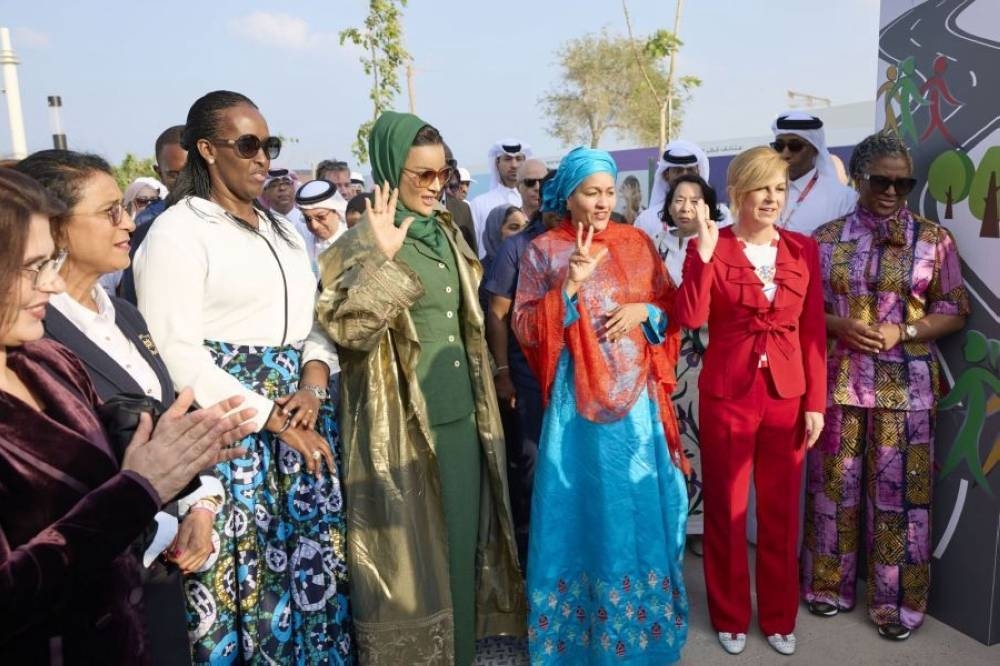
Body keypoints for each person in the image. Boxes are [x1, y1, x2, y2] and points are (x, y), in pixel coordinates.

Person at [132, 90, 353, 664]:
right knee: (247, 591)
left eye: (269, 145)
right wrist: (274, 419)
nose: (262, 159)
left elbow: (313, 321)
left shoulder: (282, 230)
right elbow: (176, 353)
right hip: (231, 438)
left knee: (314, 581)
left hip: (302, 420)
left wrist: (311, 383)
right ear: (205, 149)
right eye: (248, 144)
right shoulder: (178, 231)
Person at [0, 166, 253, 665]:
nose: (52, 284)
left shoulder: (48, 361)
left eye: (51, 261)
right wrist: (140, 487)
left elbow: (112, 478)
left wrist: (182, 471)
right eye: (33, 267)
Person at [315, 110, 525, 665]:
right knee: (411, 566)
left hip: (461, 421)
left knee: (457, 552)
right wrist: (379, 256)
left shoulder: (448, 232)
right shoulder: (357, 243)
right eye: (421, 175)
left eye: (443, 173)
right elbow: (347, 331)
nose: (437, 186)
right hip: (403, 426)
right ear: (389, 172)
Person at [512, 147, 689, 664]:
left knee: (635, 505)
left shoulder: (637, 243)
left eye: (610, 192)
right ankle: (575, 634)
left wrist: (645, 309)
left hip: (636, 405)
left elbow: (672, 307)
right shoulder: (544, 251)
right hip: (576, 410)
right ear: (568, 196)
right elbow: (523, 326)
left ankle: (641, 626)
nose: (603, 202)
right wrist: (569, 285)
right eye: (592, 192)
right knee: (581, 504)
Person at [802, 131, 970, 641]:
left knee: (903, 501)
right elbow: (805, 309)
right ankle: (828, 587)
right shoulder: (824, 239)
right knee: (834, 489)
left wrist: (905, 330)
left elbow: (954, 307)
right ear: (857, 178)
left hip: (909, 388)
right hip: (840, 383)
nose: (893, 190)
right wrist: (840, 326)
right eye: (882, 180)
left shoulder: (934, 240)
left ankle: (897, 604)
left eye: (904, 182)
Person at [674, 146, 827, 657]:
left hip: (787, 396)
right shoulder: (713, 246)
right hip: (728, 396)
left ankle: (781, 616)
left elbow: (812, 333)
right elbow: (693, 318)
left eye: (779, 188)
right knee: (728, 511)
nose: (771, 198)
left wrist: (816, 403)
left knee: (782, 514)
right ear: (738, 191)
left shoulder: (803, 249)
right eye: (761, 187)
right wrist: (701, 252)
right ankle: (730, 613)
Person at [481, 170, 559, 566]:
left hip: (574, 380)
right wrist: (502, 372)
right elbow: (497, 315)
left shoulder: (583, 243)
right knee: (532, 463)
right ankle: (533, 563)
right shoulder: (517, 248)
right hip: (527, 378)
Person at [654, 174, 723, 549]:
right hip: (669, 354)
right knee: (674, 437)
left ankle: (700, 526)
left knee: (704, 438)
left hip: (710, 355)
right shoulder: (654, 246)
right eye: (679, 200)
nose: (686, 208)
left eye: (695, 200)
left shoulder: (721, 245)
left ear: (709, 205)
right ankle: (674, 519)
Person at [120, 125, 188, 306]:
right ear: (159, 173)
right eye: (174, 175)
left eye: (192, 171)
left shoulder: (240, 220)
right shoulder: (146, 230)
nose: (185, 182)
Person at [770, 111, 857, 234]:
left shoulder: (843, 198)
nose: (785, 153)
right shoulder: (763, 193)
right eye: (779, 146)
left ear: (815, 150)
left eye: (795, 146)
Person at [635, 139, 711, 240]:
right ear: (666, 175)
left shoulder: (720, 215)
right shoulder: (647, 220)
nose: (685, 176)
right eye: (678, 171)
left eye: (690, 170)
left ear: (699, 173)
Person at [469, 139, 532, 255]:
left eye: (519, 159)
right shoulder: (479, 204)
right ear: (497, 163)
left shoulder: (533, 201)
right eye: (507, 159)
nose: (514, 165)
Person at [295, 178, 349, 274]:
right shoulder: (302, 240)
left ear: (336, 211)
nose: (314, 226)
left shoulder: (354, 241)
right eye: (308, 219)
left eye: (321, 217)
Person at [263, 166, 308, 241]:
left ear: (294, 188)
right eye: (274, 185)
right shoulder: (262, 224)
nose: (282, 188)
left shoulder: (308, 221)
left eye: (287, 183)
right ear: (265, 193)